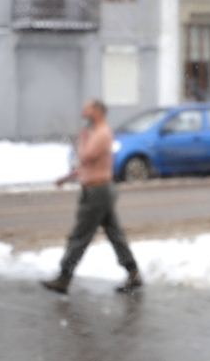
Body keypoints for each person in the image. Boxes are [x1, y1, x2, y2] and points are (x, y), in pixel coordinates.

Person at [41, 99, 142, 295]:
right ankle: (133, 274)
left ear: (97, 111)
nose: (83, 113)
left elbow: (85, 157)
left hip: (98, 191)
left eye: (86, 110)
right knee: (115, 234)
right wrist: (68, 177)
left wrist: (82, 137)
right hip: (98, 189)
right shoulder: (98, 132)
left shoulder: (101, 133)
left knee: (80, 235)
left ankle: (64, 277)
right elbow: (88, 164)